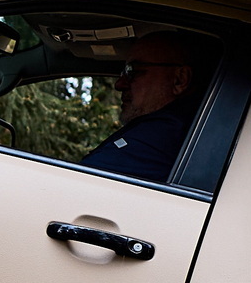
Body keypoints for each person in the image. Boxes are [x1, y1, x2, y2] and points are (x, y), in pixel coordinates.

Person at [81, 32, 206, 181]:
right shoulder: (190, 130)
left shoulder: (164, 137)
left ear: (180, 79)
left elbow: (79, 182)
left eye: (132, 71)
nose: (119, 84)